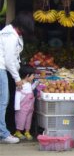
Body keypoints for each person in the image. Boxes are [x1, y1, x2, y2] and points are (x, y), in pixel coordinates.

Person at [0, 11, 34, 144]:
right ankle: (3, 133)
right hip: (1, 68)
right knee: (3, 101)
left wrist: (18, 73)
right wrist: (17, 78)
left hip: (3, 68)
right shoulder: (11, 37)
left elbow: (14, 59)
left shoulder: (12, 34)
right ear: (22, 26)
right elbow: (9, 60)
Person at [13, 66, 36, 141]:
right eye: (33, 75)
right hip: (22, 107)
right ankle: (18, 132)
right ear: (27, 76)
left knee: (28, 120)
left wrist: (36, 84)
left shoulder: (29, 83)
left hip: (30, 107)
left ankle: (27, 131)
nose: (34, 76)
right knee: (21, 119)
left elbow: (30, 89)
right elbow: (17, 96)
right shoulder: (21, 85)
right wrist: (17, 107)